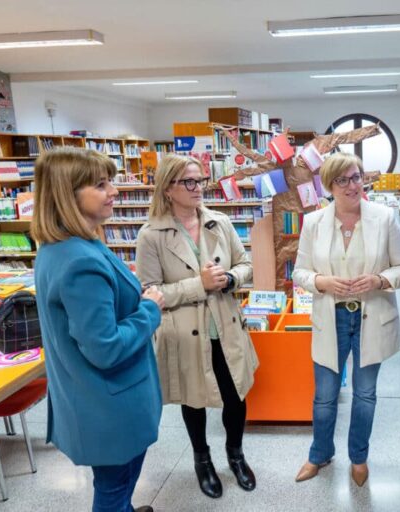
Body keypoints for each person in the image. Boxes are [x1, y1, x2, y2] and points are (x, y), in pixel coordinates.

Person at [32, 147, 164, 512]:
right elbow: (105, 348)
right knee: (113, 486)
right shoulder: (80, 262)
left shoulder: (62, 246)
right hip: (109, 405)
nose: (115, 191)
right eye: (101, 185)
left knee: (115, 484)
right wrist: (151, 309)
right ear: (67, 194)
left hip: (93, 397)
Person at [135, 155, 257, 498]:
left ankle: (236, 454)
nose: (197, 188)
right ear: (168, 188)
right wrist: (199, 285)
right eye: (188, 182)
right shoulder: (151, 235)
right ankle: (202, 460)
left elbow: (245, 264)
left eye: (200, 180)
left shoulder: (219, 222)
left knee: (236, 395)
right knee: (194, 399)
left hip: (226, 325)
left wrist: (232, 277)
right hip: (186, 332)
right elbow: (150, 293)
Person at [292, 152, 400, 486]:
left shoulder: (384, 218)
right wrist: (321, 282)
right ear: (329, 186)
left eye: (357, 176)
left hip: (369, 317)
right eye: (342, 180)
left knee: (364, 395)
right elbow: (301, 271)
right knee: (325, 396)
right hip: (330, 317)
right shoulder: (315, 222)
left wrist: (379, 280)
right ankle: (319, 454)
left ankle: (358, 457)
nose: (352, 185)